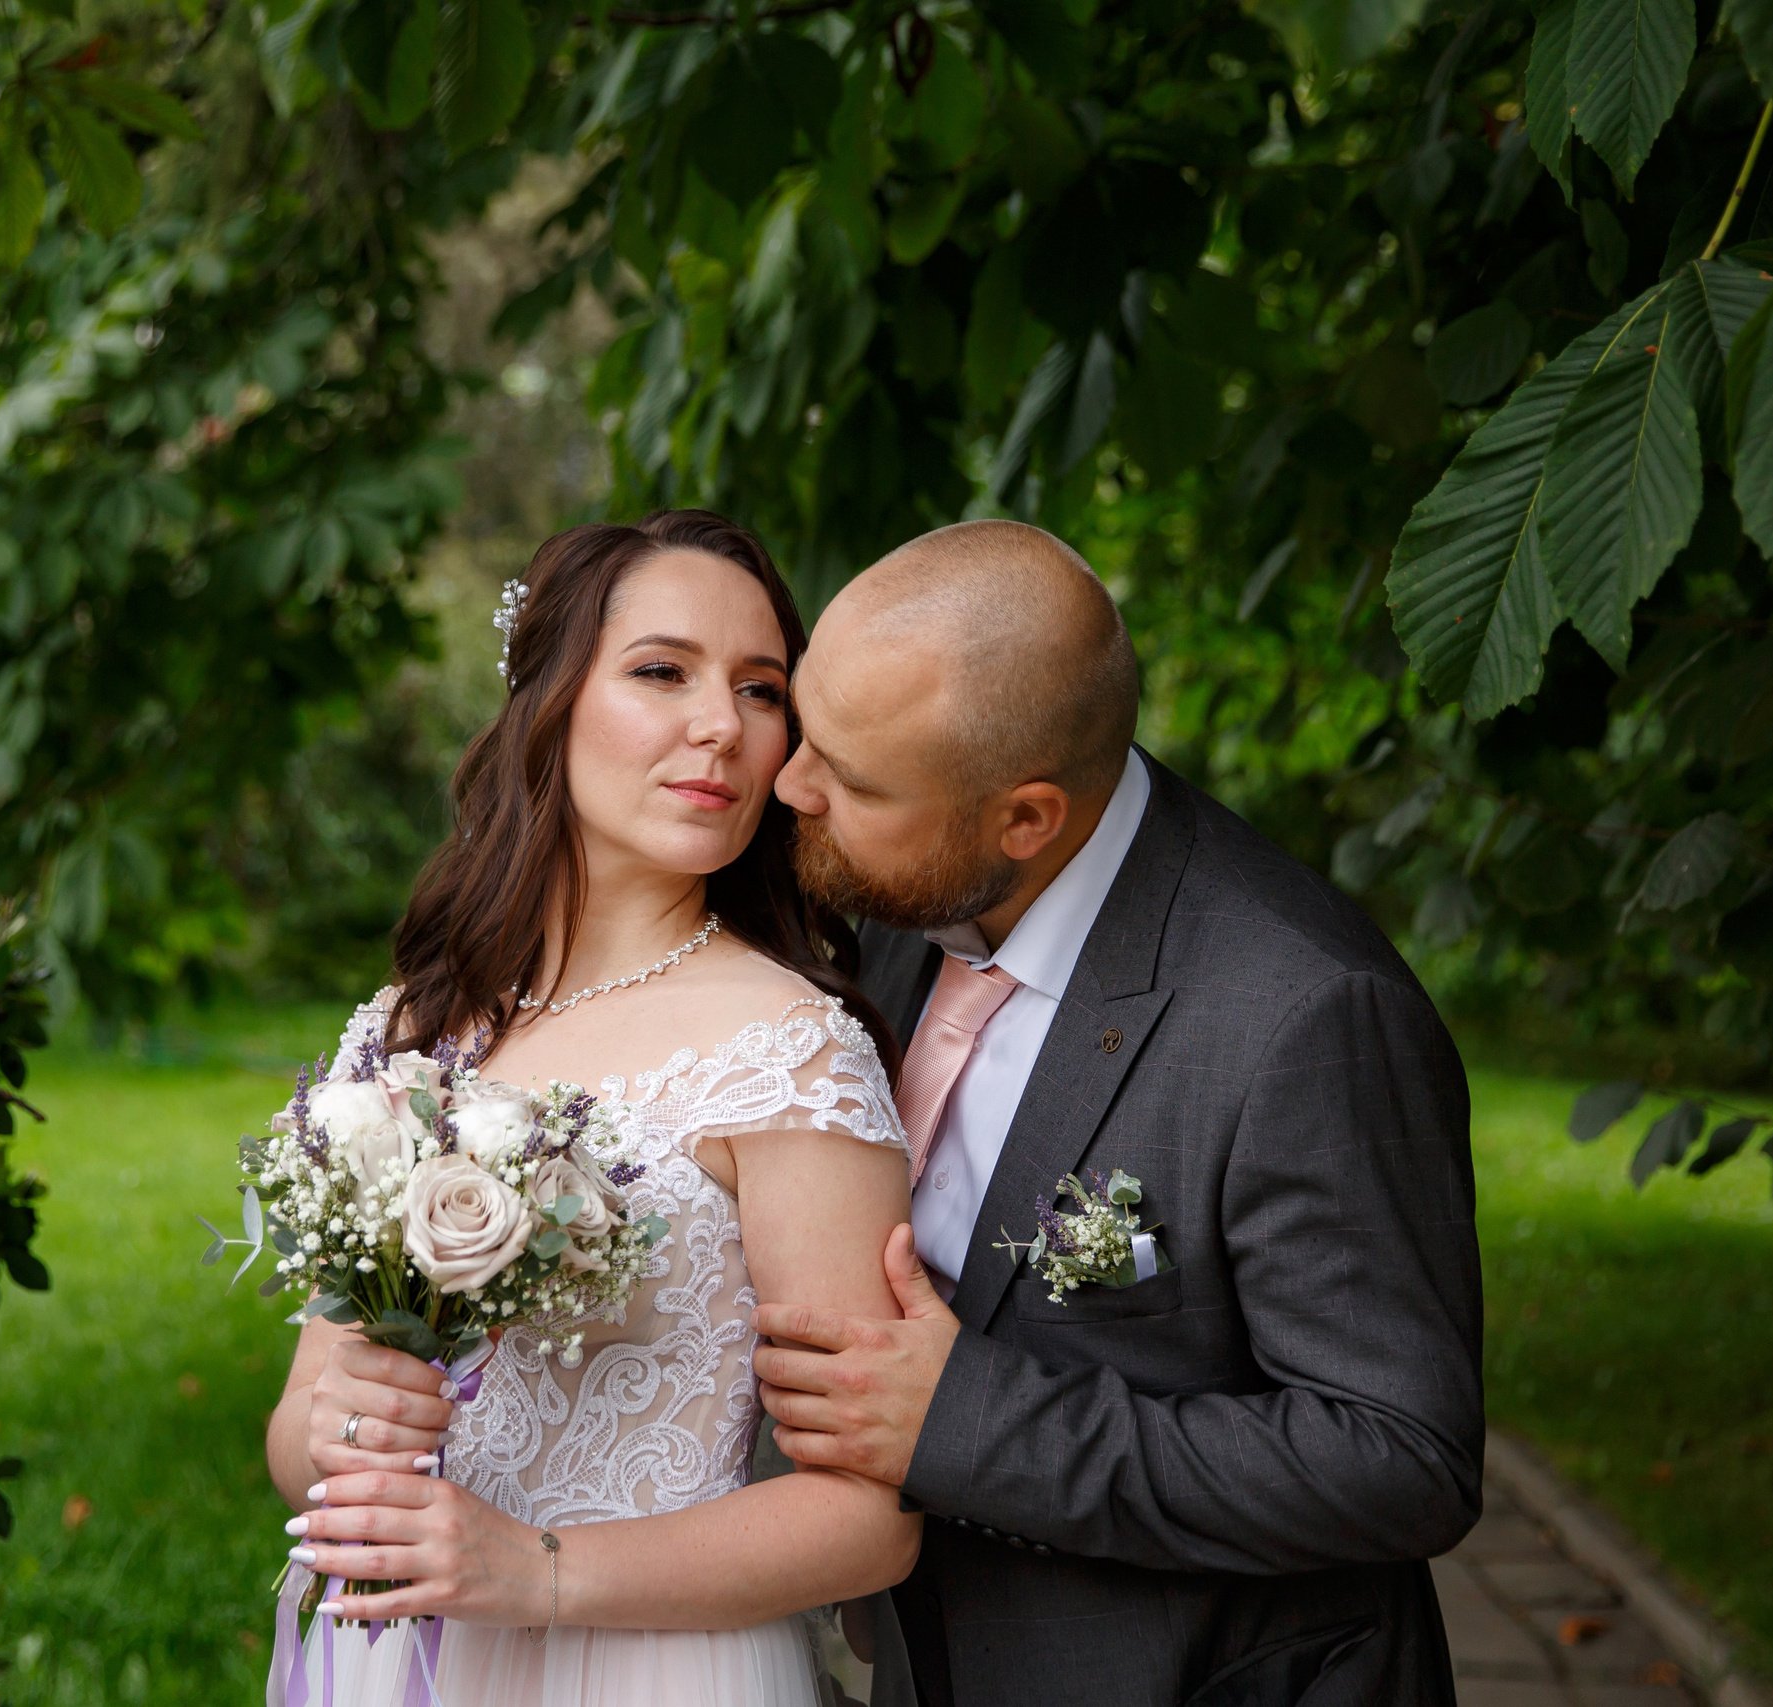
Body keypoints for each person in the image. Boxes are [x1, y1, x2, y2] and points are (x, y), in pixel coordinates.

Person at [754, 519, 1483, 1707]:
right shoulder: (910, 894)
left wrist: (964, 1423)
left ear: (1026, 818)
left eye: (854, 778)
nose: (791, 784)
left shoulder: (1302, 1016)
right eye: (809, 732)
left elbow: (1403, 1461)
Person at [262, 510, 920, 1707]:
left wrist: (541, 1572)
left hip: (651, 1667)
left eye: (762, 689)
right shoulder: (410, 1026)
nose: (720, 726)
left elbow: (870, 1521)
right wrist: (340, 1427)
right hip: (400, 1653)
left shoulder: (788, 1051)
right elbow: (301, 1421)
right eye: (661, 671)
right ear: (549, 699)